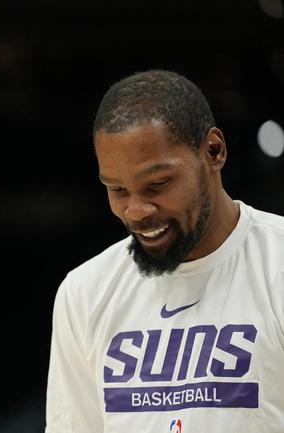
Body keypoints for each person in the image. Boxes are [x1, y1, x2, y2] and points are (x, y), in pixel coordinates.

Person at [45, 70, 284, 433]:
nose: (136, 211)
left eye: (157, 184)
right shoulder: (85, 292)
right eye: (118, 190)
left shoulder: (276, 264)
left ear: (214, 151)